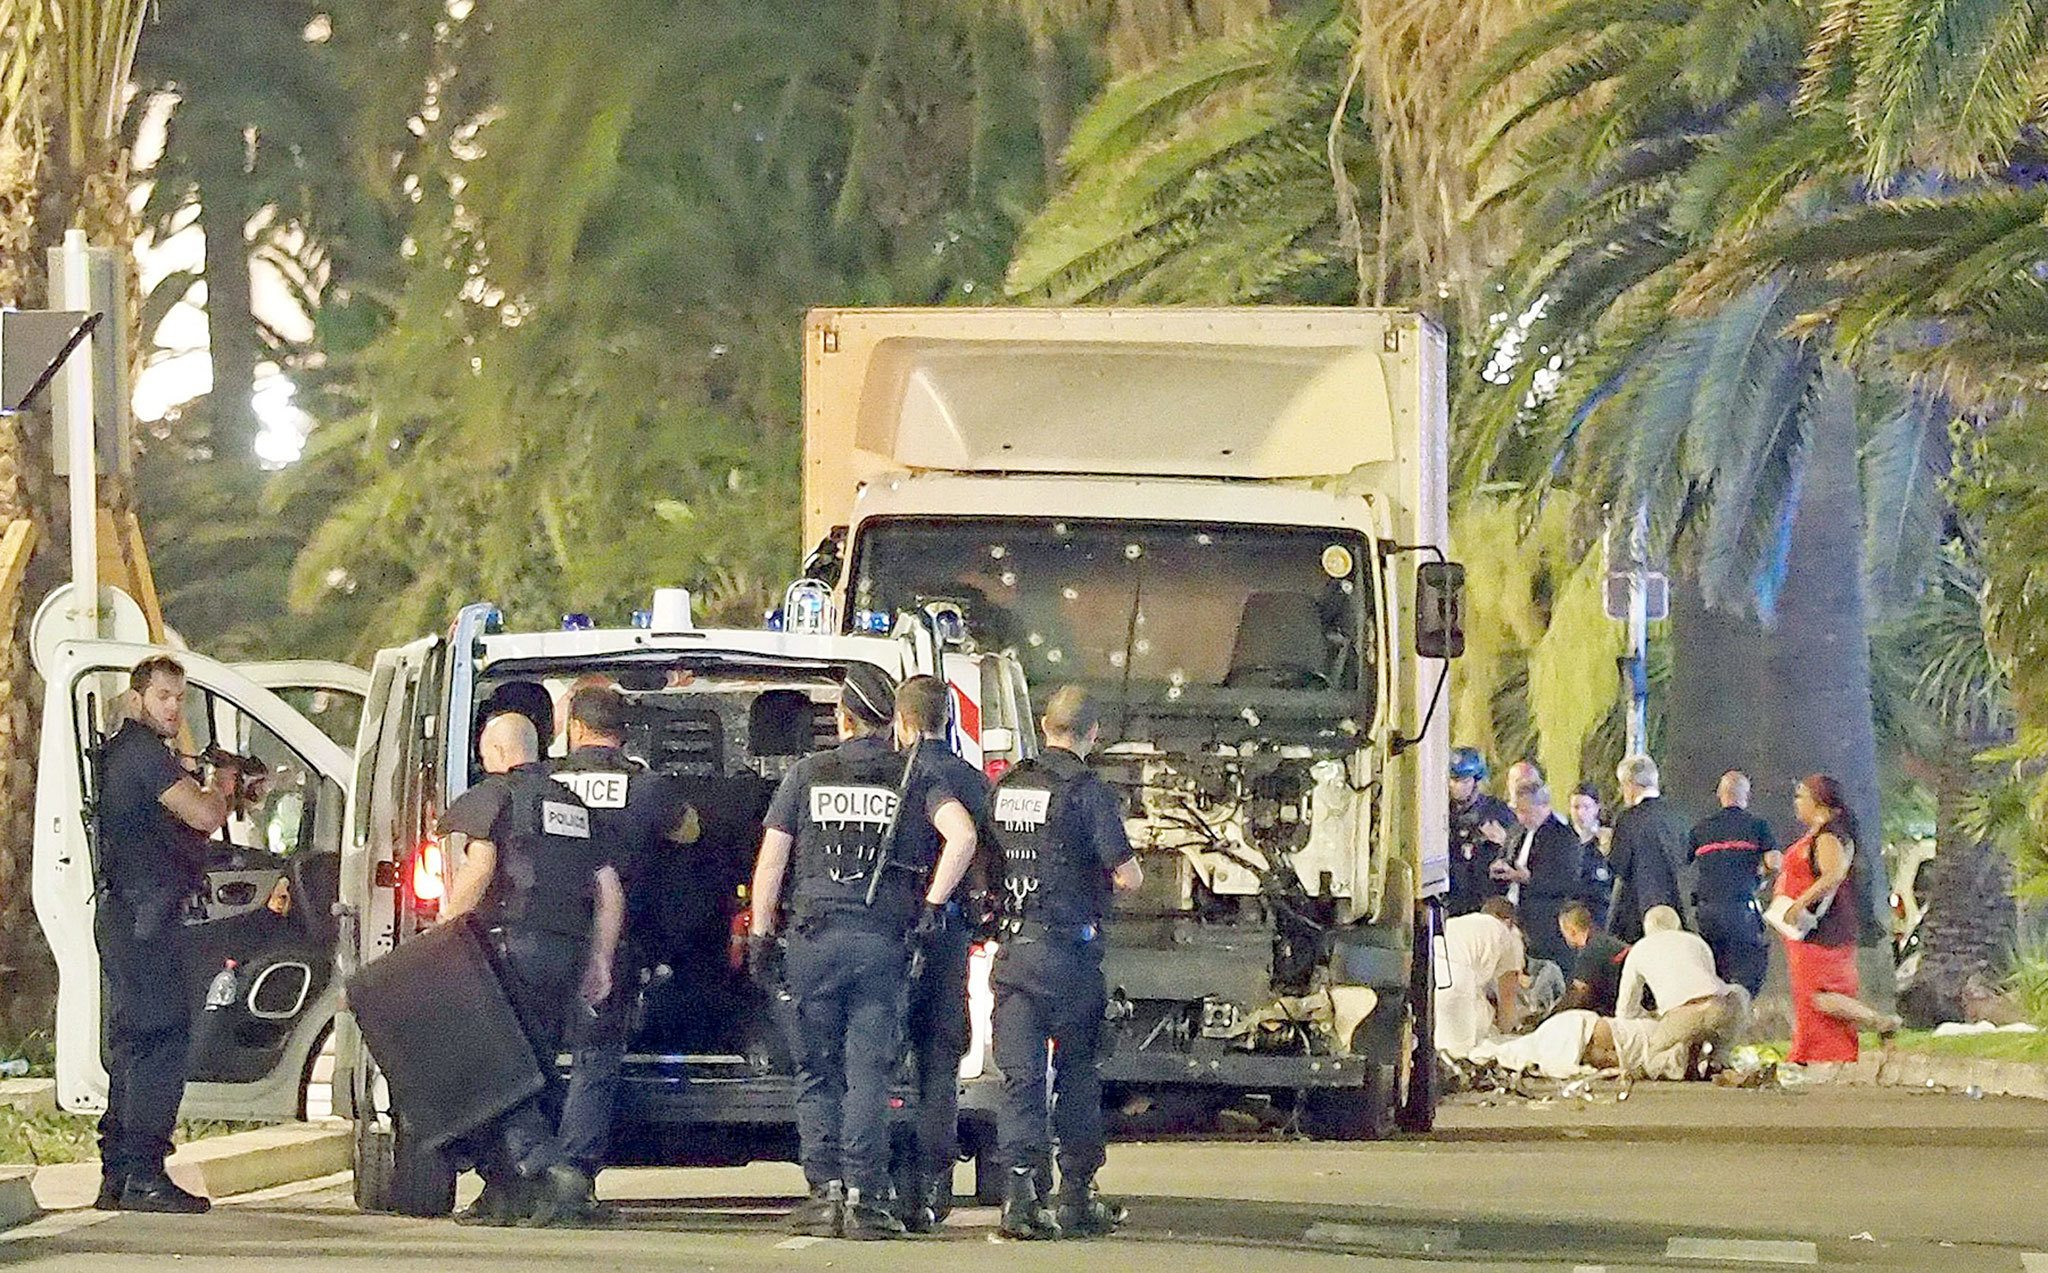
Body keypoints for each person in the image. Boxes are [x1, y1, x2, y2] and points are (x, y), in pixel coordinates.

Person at [749, 666, 978, 1240]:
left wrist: (759, 934)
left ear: (842, 717)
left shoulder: (807, 774)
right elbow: (964, 837)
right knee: (868, 1074)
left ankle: (823, 1191)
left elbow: (772, 861)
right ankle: (864, 1195)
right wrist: (932, 903)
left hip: (814, 941)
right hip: (881, 945)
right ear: (889, 722)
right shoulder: (914, 774)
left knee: (816, 1072)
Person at [440, 712, 625, 1226]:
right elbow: (609, 891)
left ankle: (550, 1169)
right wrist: (600, 960)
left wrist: (442, 932)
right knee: (535, 1065)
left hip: (509, 946)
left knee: (492, 1068)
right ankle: (505, 1192)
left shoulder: (497, 796)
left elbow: (480, 867)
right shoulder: (573, 805)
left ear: (497, 754)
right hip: (564, 952)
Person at [988, 686, 1144, 1242]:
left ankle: (1021, 1195)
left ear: (1043, 725)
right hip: (1070, 959)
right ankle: (1077, 1196)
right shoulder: (1086, 793)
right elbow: (1127, 875)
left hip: (1014, 954)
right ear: (1092, 734)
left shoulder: (1006, 786)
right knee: (1077, 1076)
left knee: (1020, 1079)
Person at [93, 656, 247, 1213]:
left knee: (134, 1044)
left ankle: (118, 1175)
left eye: (179, 699)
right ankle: (144, 1175)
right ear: (137, 699)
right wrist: (224, 788)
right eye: (163, 697)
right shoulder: (142, 755)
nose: (173, 709)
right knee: (160, 1041)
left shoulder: (131, 754)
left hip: (130, 916)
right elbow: (203, 815)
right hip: (143, 919)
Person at [547, 684, 700, 1221]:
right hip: (620, 934)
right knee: (596, 1055)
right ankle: (574, 1169)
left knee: (536, 1049)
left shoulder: (545, 783)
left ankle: (523, 1167)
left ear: (576, 730)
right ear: (622, 733)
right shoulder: (648, 787)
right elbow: (691, 832)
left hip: (546, 931)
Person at [891, 675, 991, 1233]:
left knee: (880, 1056)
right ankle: (933, 1185)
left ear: (902, 722)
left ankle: (884, 1181)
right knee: (938, 1061)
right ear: (948, 717)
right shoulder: (973, 780)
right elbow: (987, 857)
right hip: (949, 937)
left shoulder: (898, 776)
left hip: (893, 932)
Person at [1773, 775, 1899, 1071]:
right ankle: (1813, 1051)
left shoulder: (1829, 836)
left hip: (1823, 927)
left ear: (1820, 803)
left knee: (1820, 995)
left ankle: (1880, 1021)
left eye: (1801, 796)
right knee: (1808, 995)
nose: (1796, 803)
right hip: (1804, 930)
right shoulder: (1817, 834)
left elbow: (1833, 874)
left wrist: (1801, 902)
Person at [1615, 906, 1749, 1077]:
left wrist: (1649, 1017)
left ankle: (1678, 1061)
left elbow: (1625, 1009)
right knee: (1723, 1011)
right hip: (1721, 1006)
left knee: (1652, 1061)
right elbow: (1706, 986)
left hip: (1682, 1014)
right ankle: (1719, 1059)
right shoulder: (1696, 941)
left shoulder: (1639, 949)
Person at [1686, 771, 1773, 997]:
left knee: (1715, 969)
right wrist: (1761, 873)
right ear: (1746, 795)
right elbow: (1774, 861)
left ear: (1720, 795)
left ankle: (1718, 1014)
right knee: (1748, 969)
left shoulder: (1701, 828)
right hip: (1741, 908)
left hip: (1708, 910)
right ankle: (1741, 1011)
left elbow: (1682, 861)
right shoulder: (1758, 826)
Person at [1494, 780, 1582, 971]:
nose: (1521, 817)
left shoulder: (1564, 837)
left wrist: (1528, 879)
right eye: (1517, 811)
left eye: (1526, 811)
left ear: (1544, 806)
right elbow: (1506, 856)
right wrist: (1500, 867)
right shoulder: (1516, 831)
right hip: (1513, 916)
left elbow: (1567, 882)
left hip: (1545, 923)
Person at [1605, 755, 1689, 941]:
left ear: (1630, 784)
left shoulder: (1628, 819)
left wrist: (1607, 849)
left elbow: (1619, 866)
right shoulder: (1678, 816)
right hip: (1677, 906)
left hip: (1638, 910)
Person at [1435, 897, 1525, 1055]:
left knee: (1438, 1046)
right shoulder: (1509, 935)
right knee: (1460, 1052)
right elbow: (1507, 996)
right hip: (1457, 979)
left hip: (1430, 974)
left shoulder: (1462, 922)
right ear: (1509, 920)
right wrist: (1507, 1031)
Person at [1448, 747, 1514, 917]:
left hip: (1487, 901)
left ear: (1476, 781)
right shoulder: (1443, 812)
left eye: (1464, 781)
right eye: (1453, 780)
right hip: (1453, 900)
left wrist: (1504, 841)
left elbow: (1520, 852)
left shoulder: (1497, 812)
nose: (1456, 787)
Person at [1554, 902, 1629, 1017]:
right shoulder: (1605, 942)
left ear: (1572, 931)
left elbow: (1578, 995)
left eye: (1563, 932)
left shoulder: (1591, 952)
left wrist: (1547, 1021)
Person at [1568, 784, 1614, 928]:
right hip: (1571, 911)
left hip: (1600, 911)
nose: (1580, 813)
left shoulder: (1609, 837)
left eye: (1586, 807)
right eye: (1576, 807)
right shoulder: (1563, 838)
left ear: (1596, 808)